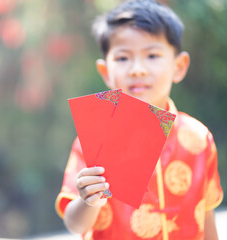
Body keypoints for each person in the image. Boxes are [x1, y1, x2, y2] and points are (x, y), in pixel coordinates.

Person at [55, 0, 224, 239]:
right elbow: (75, 224)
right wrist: (89, 201)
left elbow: (206, 214)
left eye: (152, 55)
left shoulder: (199, 138)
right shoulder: (93, 142)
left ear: (179, 66)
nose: (137, 69)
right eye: (123, 58)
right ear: (105, 72)